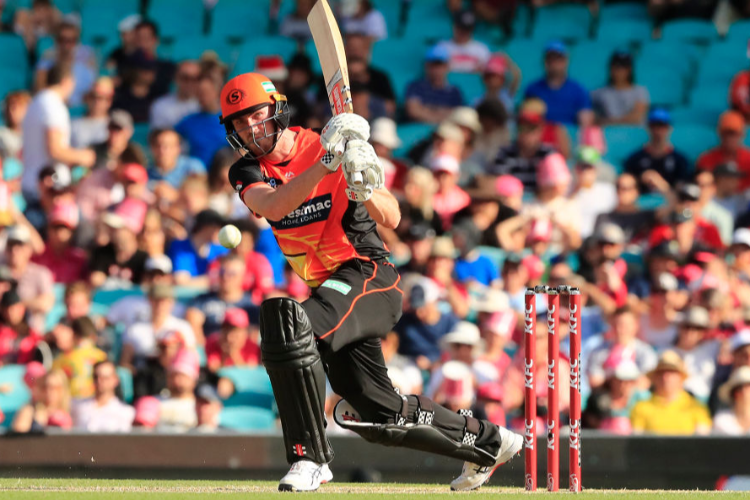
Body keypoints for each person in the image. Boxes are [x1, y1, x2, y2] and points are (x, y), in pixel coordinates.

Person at [223, 72, 522, 491]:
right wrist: (325, 165)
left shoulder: (327, 147)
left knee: (289, 324)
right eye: (238, 123)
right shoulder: (248, 169)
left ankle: (309, 458)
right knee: (378, 414)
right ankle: (490, 443)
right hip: (332, 294)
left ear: (276, 110)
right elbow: (274, 206)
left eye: (255, 115)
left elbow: (393, 217)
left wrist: (362, 182)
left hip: (368, 276)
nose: (250, 129)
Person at [21, 63, 95, 202]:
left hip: (32, 183)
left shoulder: (36, 103)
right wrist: (85, 156)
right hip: (49, 189)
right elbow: (55, 150)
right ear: (66, 81)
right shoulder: (53, 105)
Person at [630, 350, 712, 435]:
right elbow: (637, 440)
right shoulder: (641, 407)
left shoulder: (696, 406)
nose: (665, 377)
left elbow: (702, 439)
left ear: (681, 377)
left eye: (671, 372)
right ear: (654, 378)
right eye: (661, 373)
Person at [487, 103, 555, 191]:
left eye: (531, 128)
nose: (526, 133)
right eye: (522, 127)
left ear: (540, 130)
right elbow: (499, 184)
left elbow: (554, 187)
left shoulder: (549, 154)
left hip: (540, 202)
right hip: (511, 201)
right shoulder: (504, 152)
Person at [524, 41, 592, 127]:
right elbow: (527, 120)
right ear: (544, 61)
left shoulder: (578, 90)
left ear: (566, 61)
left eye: (558, 59)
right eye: (550, 58)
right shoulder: (532, 89)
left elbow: (586, 122)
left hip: (570, 137)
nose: (554, 63)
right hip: (541, 137)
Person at [623, 108, 691, 193]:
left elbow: (681, 190)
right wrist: (640, 179)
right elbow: (626, 187)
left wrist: (659, 183)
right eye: (654, 126)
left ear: (669, 128)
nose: (658, 131)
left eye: (662, 126)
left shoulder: (680, 160)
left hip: (670, 203)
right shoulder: (635, 159)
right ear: (648, 128)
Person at [34, 20, 97, 107]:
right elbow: (39, 89)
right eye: (62, 40)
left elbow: (91, 91)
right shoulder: (46, 60)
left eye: (71, 40)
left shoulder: (85, 66)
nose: (66, 45)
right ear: (56, 40)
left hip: (78, 109)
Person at [4, 226, 54, 333]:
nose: (14, 250)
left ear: (29, 249)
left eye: (20, 245)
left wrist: (17, 304)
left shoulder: (40, 273)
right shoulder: (2, 272)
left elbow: (46, 303)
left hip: (31, 335)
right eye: (11, 245)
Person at [175, 70, 226, 169]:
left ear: (216, 92)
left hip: (223, 175)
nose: (201, 97)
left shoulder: (230, 119)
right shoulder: (189, 121)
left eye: (205, 92)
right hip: (197, 175)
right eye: (199, 93)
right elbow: (170, 137)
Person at [405, 45, 464, 124]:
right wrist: (442, 113)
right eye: (433, 65)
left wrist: (426, 110)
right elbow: (413, 111)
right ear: (426, 66)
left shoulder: (454, 91)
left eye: (440, 65)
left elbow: (459, 115)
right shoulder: (415, 86)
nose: (436, 70)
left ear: (447, 66)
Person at [71, 360, 135, 432]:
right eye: (96, 377)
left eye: (105, 378)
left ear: (115, 380)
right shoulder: (77, 405)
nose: (99, 381)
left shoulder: (125, 411)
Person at [591, 51, 649, 126]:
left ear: (630, 70)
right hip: (607, 134)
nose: (620, 71)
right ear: (611, 68)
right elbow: (593, 119)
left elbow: (636, 118)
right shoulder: (598, 93)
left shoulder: (640, 91)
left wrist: (609, 122)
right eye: (617, 67)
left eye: (624, 67)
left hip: (633, 134)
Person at [696, 111, 750, 190]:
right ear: (719, 134)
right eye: (726, 133)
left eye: (734, 134)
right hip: (715, 199)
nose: (730, 138)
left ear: (742, 135)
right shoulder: (706, 159)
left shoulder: (748, 158)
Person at [150, 60, 201, 130]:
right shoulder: (160, 106)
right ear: (175, 78)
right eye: (185, 78)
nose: (190, 83)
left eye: (195, 78)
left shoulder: (207, 105)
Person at [71, 77, 115, 148]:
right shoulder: (73, 124)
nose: (96, 102)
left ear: (109, 101)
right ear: (87, 98)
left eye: (101, 98)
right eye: (93, 96)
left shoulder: (116, 126)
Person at [713, 366, 750, 435]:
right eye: (739, 388)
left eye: (748, 386)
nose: (744, 391)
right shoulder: (721, 420)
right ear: (734, 394)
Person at [0, 90, 30, 160]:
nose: (11, 111)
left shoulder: (35, 136)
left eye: (17, 106)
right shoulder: (2, 135)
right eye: (9, 107)